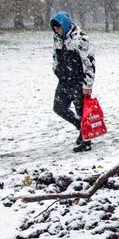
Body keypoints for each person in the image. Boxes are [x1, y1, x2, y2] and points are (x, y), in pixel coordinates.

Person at [50, 11, 96, 152]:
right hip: (64, 80)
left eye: (59, 27)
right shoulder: (57, 38)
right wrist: (56, 70)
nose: (57, 30)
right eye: (55, 28)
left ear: (64, 25)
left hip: (78, 81)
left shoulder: (81, 39)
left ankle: (86, 141)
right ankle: (81, 126)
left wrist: (87, 84)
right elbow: (55, 56)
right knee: (58, 107)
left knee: (82, 111)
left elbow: (89, 62)